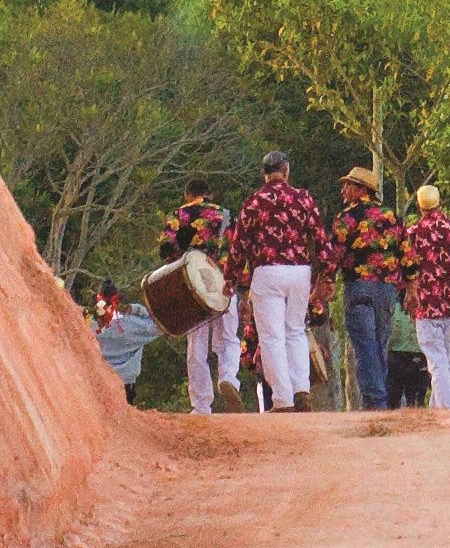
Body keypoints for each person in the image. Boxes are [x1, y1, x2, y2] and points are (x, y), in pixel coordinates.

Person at [225, 150, 329, 410]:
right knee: (295, 331)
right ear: (286, 170)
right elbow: (320, 237)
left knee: (272, 336)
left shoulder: (253, 202)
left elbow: (238, 245)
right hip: (299, 272)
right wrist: (326, 275)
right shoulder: (303, 199)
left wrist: (232, 277)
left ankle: (283, 399)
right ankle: (302, 390)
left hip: (267, 272)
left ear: (265, 173)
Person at [333, 165, 410, 411]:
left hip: (359, 287)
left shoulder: (347, 217)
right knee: (379, 344)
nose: (343, 190)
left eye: (348, 185)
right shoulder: (391, 217)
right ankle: (379, 397)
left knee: (365, 345)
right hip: (387, 290)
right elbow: (407, 255)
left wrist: (324, 281)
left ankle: (375, 400)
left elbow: (333, 253)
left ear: (360, 189)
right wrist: (413, 287)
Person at [401, 184, 450, 419]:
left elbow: (406, 271)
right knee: (443, 358)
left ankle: (445, 412)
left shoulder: (413, 233)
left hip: (425, 307)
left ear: (419, 206)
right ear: (440, 203)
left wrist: (408, 296)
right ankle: (435, 409)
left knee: (436, 361)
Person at [162, 179, 239, 414]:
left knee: (196, 347)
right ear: (210, 194)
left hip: (192, 286)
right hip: (223, 282)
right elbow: (237, 249)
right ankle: (228, 377)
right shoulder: (225, 215)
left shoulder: (179, 215)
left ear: (188, 195)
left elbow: (165, 250)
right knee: (227, 338)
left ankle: (202, 405)